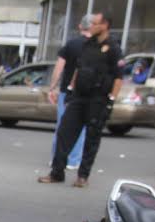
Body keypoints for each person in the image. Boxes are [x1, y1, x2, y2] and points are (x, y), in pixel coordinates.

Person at [38, 10, 122, 188]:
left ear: (104, 25)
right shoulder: (87, 45)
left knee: (91, 139)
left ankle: (82, 176)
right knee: (64, 133)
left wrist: (111, 101)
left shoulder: (113, 48)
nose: (90, 26)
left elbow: (118, 78)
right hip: (79, 97)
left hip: (98, 99)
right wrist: (70, 88)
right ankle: (57, 172)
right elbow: (78, 68)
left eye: (94, 23)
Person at [46, 15, 92, 170]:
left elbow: (59, 68)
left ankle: (57, 159)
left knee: (63, 126)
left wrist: (52, 87)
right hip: (87, 93)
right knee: (82, 128)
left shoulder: (71, 45)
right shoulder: (96, 47)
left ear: (80, 27)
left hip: (67, 92)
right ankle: (73, 160)